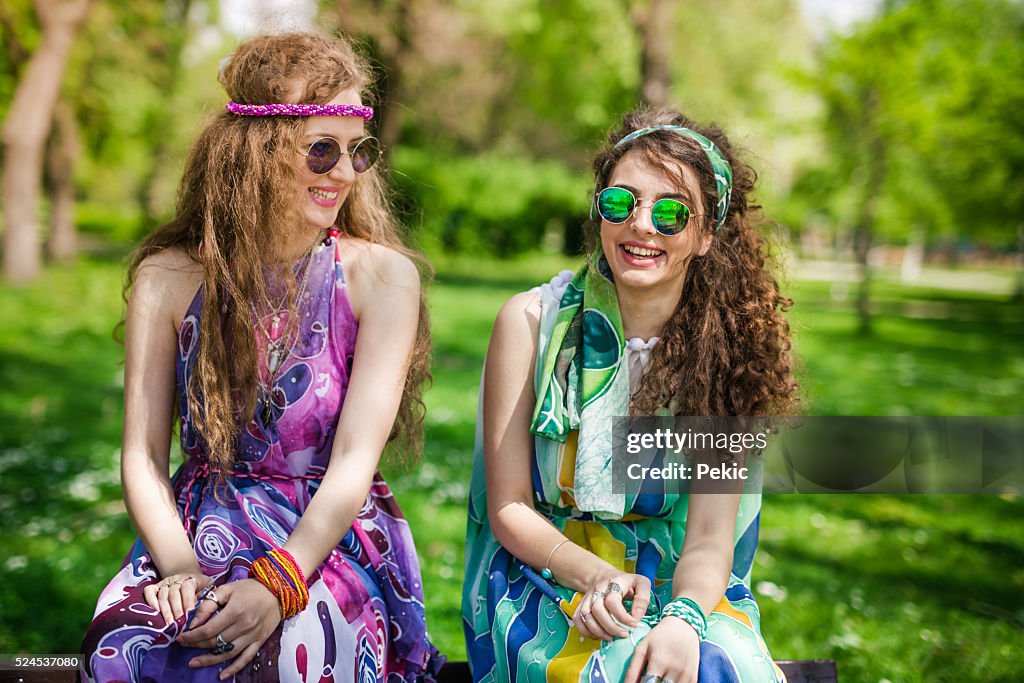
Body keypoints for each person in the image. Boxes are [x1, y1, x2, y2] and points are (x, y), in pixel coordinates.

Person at [81, 32, 442, 682]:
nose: (344, 172)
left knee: (282, 656)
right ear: (256, 151)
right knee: (124, 641)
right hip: (191, 530)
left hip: (321, 540)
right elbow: (140, 454)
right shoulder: (170, 277)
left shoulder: (382, 279)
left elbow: (354, 462)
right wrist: (180, 566)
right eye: (321, 150)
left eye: (357, 150)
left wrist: (277, 583)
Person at [462, 108, 799, 683]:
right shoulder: (529, 323)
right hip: (548, 573)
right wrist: (595, 576)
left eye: (671, 212)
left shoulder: (726, 353)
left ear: (707, 235)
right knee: (618, 669)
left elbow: (712, 536)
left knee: (718, 668)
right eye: (622, 202)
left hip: (685, 580)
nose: (642, 225)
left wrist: (685, 619)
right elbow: (509, 507)